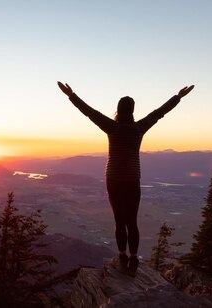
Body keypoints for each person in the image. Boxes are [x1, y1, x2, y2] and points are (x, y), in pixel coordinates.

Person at [57, 81, 194, 276]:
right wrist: (178, 96)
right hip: (132, 179)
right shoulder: (139, 128)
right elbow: (159, 112)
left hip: (113, 179)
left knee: (119, 221)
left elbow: (89, 112)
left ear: (119, 110)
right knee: (132, 221)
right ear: (133, 111)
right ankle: (133, 258)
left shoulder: (111, 127)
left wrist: (71, 95)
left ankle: (121, 255)